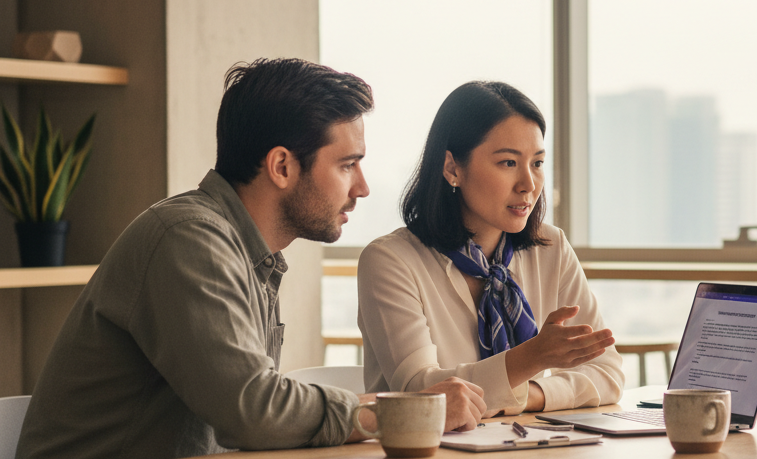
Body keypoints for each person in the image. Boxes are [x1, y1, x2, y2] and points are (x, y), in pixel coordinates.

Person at [16, 59, 486, 459]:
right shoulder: (189, 240)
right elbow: (253, 411)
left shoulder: (249, 254)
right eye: (347, 165)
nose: (361, 187)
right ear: (282, 166)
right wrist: (397, 412)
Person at [357, 81, 624, 415]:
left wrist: (527, 395)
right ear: (453, 168)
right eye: (509, 163)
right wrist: (533, 359)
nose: (528, 185)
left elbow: (608, 373)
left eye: (537, 164)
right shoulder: (390, 261)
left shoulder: (551, 248)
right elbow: (420, 393)